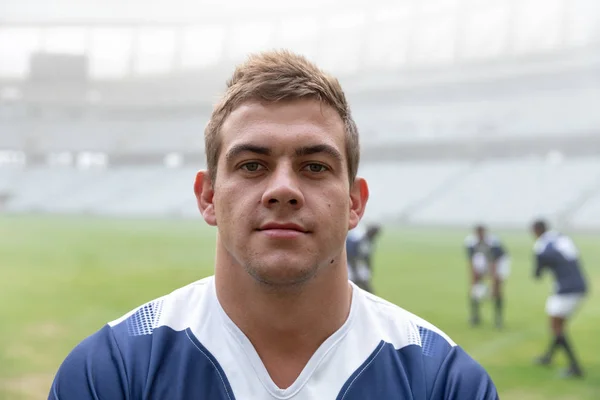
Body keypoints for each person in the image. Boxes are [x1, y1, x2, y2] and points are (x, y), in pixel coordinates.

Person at [48, 50, 498, 399]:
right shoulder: (114, 372)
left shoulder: (443, 382)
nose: (283, 190)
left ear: (355, 204)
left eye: (315, 167)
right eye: (251, 165)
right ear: (207, 196)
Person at [531, 219, 588, 378]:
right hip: (580, 285)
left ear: (536, 231)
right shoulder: (561, 237)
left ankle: (575, 367)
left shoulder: (541, 245)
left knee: (556, 326)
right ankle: (548, 357)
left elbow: (537, 274)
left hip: (565, 289)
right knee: (559, 325)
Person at [464, 225, 510, 329]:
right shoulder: (470, 243)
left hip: (500, 262)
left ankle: (498, 320)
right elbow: (472, 263)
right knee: (474, 289)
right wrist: (474, 281)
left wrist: (493, 283)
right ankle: (475, 316)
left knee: (497, 290)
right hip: (483, 259)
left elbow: (494, 263)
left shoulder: (493, 243)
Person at [346, 223, 381, 293]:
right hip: (349, 263)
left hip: (356, 263)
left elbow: (367, 257)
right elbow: (350, 256)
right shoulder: (360, 240)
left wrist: (369, 268)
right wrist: (355, 271)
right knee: (356, 282)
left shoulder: (368, 241)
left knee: (362, 282)